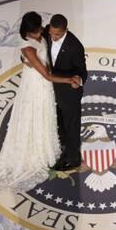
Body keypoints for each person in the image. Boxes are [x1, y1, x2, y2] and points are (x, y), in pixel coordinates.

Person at [0, 11, 81, 192]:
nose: (39, 34)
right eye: (34, 33)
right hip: (38, 86)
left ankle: (55, 146)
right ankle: (38, 151)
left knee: (48, 116)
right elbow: (46, 74)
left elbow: (51, 43)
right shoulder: (28, 47)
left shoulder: (45, 33)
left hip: (46, 86)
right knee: (36, 115)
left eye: (37, 31)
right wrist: (69, 80)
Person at [43, 14, 88, 170]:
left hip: (69, 91)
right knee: (58, 123)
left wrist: (78, 80)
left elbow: (83, 71)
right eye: (52, 33)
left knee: (71, 126)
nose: (53, 37)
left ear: (65, 30)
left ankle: (73, 158)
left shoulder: (75, 46)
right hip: (51, 89)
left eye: (58, 35)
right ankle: (61, 151)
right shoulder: (46, 33)